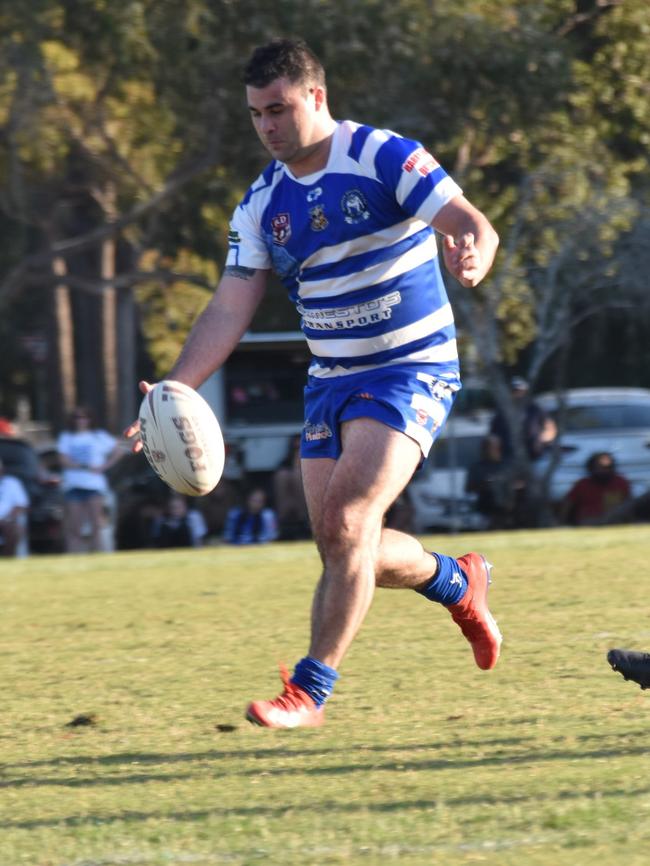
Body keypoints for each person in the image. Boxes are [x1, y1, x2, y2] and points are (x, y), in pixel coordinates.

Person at [126, 37, 502, 728]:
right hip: (331, 377)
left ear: (316, 97)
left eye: (279, 109)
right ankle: (457, 580)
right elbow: (231, 302)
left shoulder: (384, 155)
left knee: (351, 522)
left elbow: (468, 219)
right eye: (255, 114)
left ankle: (309, 692)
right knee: (340, 541)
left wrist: (474, 249)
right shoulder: (262, 203)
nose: (267, 125)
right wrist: (172, 390)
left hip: (410, 367)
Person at [57, 407, 127, 553]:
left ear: (89, 419)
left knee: (96, 525)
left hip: (94, 486)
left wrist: (104, 466)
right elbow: (63, 460)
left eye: (84, 417)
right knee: (75, 527)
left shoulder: (98, 436)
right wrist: (85, 466)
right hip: (73, 485)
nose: (81, 421)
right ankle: (74, 557)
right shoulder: (67, 437)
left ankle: (97, 555)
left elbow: (119, 450)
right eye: (77, 417)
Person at [490, 377, 557, 463]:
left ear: (526, 392)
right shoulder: (502, 412)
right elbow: (493, 436)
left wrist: (539, 440)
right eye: (514, 391)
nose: (518, 394)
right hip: (508, 458)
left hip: (532, 457)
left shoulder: (535, 409)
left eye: (520, 391)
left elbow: (550, 428)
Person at [559, 451, 631, 526]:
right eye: (600, 468)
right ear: (592, 468)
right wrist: (562, 522)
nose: (604, 471)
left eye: (608, 468)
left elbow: (628, 504)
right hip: (588, 522)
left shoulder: (621, 482)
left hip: (614, 522)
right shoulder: (582, 484)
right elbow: (567, 504)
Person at [465, 434, 516, 529]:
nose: (492, 450)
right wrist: (486, 484)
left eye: (494, 447)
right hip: (485, 511)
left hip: (506, 510)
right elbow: (468, 488)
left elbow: (516, 484)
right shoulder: (477, 467)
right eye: (488, 447)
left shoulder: (506, 467)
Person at [272, 435, 311, 540]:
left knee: (297, 476)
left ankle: (304, 522)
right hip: (287, 506)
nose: (298, 451)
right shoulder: (284, 467)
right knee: (283, 476)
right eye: (295, 448)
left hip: (306, 502)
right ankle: (284, 525)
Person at [0, 457, 29, 556]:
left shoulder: (12, 483)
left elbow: (21, 505)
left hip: (7, 520)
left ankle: (8, 558)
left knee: (14, 530)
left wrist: (8, 518)